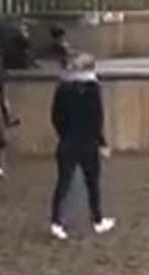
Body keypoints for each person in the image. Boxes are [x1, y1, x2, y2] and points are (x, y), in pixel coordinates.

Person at [49, 48, 116, 240]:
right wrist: (101, 142)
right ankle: (97, 220)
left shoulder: (62, 89)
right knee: (92, 183)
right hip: (88, 143)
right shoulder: (94, 89)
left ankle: (56, 222)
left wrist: (64, 135)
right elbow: (97, 119)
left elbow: (55, 117)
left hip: (67, 142)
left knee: (63, 183)